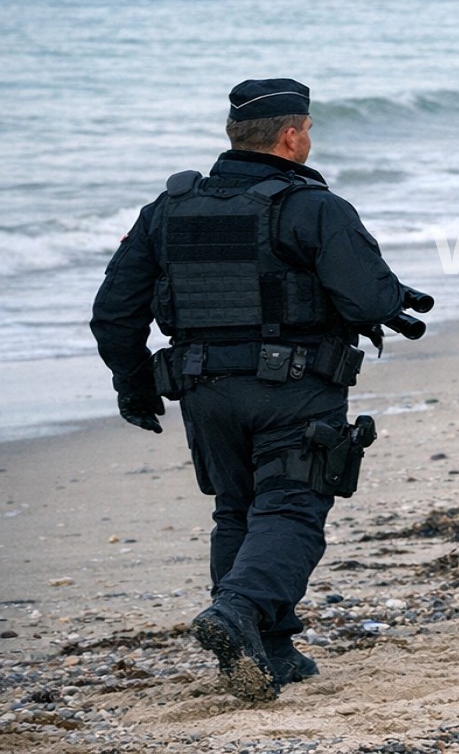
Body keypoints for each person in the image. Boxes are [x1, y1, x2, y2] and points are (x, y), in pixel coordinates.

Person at [90, 79, 410, 702]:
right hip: (295, 386)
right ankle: (238, 611)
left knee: (236, 511)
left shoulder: (167, 209)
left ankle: (270, 650)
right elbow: (369, 299)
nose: (308, 140)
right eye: (308, 130)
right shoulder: (315, 207)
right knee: (291, 507)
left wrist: (134, 387)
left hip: (203, 387)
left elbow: (114, 314)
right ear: (291, 136)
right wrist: (390, 299)